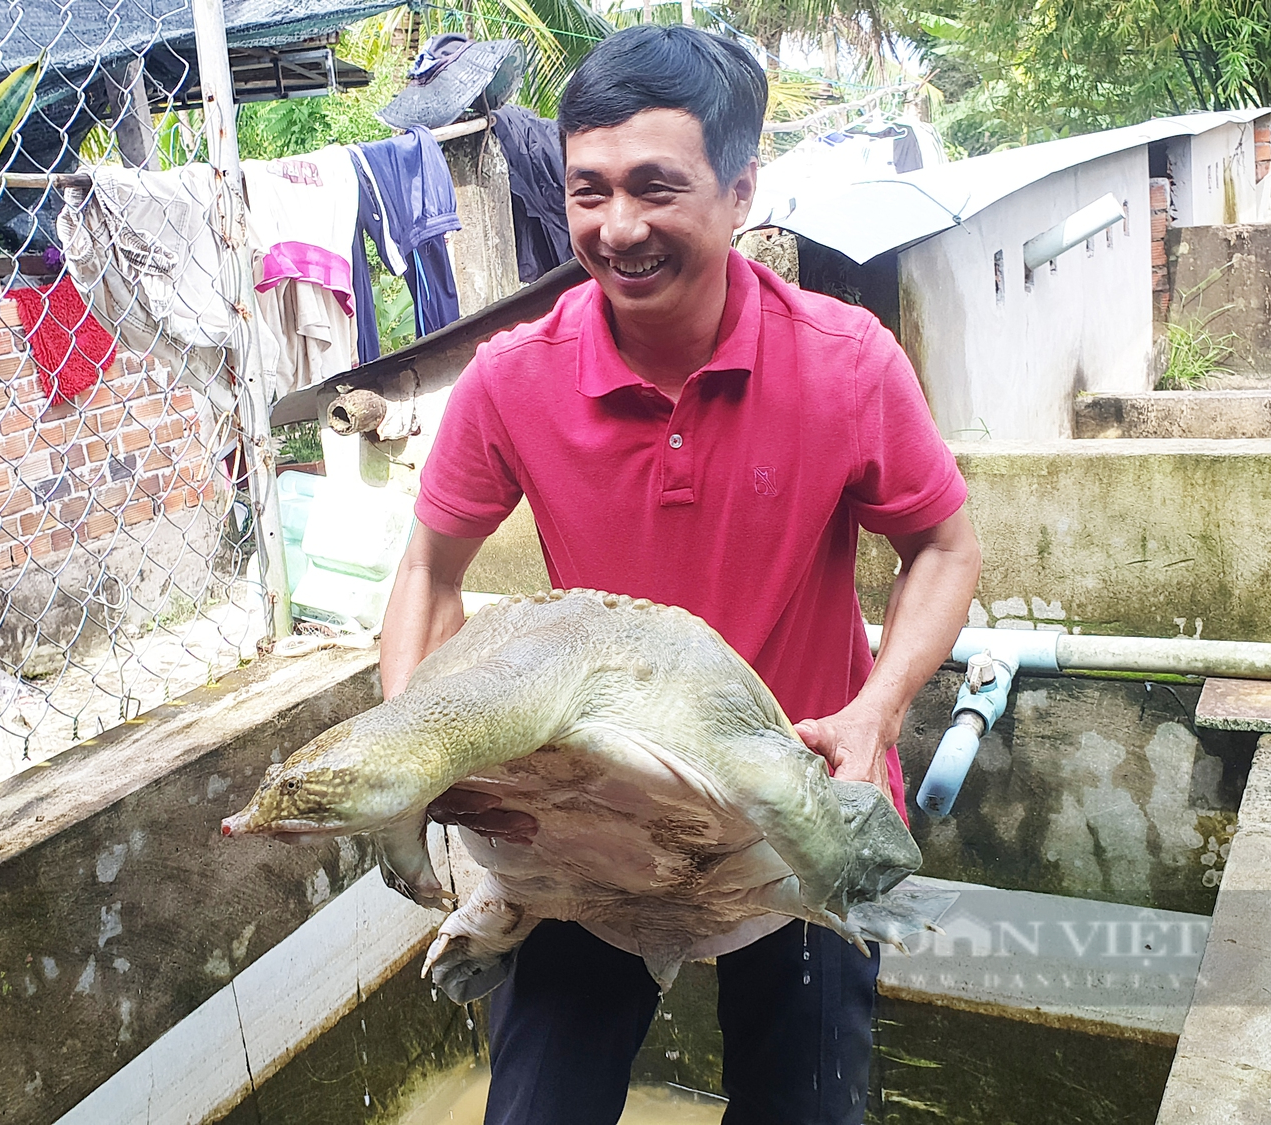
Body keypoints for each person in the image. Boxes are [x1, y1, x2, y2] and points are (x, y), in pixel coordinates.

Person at [377, 24, 982, 1125]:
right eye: (588, 191)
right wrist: (411, 747)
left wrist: (874, 713)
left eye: (657, 188)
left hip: (795, 794)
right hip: (590, 819)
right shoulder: (512, 378)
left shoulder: (845, 362)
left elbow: (942, 544)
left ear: (741, 186)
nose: (617, 229)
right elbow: (428, 569)